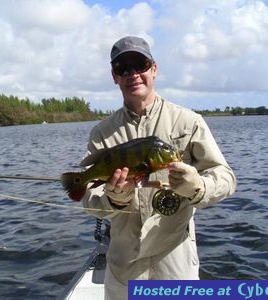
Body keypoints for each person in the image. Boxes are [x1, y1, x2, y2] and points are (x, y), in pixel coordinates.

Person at [81, 36, 237, 300]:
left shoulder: (189, 121)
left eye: (140, 64)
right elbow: (89, 198)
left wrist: (199, 187)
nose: (133, 74)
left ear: (154, 68)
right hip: (124, 267)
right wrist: (112, 199)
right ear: (114, 76)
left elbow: (226, 177)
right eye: (123, 68)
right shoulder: (102, 133)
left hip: (175, 263)